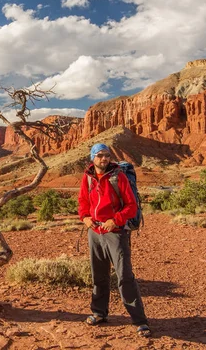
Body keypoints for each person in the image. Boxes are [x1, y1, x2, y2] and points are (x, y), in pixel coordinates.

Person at [78, 143, 150, 337]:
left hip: (116, 232)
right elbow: (83, 202)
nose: (104, 159)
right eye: (100, 155)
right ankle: (99, 313)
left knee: (124, 276)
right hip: (94, 231)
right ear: (92, 157)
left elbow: (131, 206)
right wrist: (84, 217)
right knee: (98, 275)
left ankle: (139, 320)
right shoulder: (88, 177)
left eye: (107, 155)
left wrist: (115, 220)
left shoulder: (119, 177)